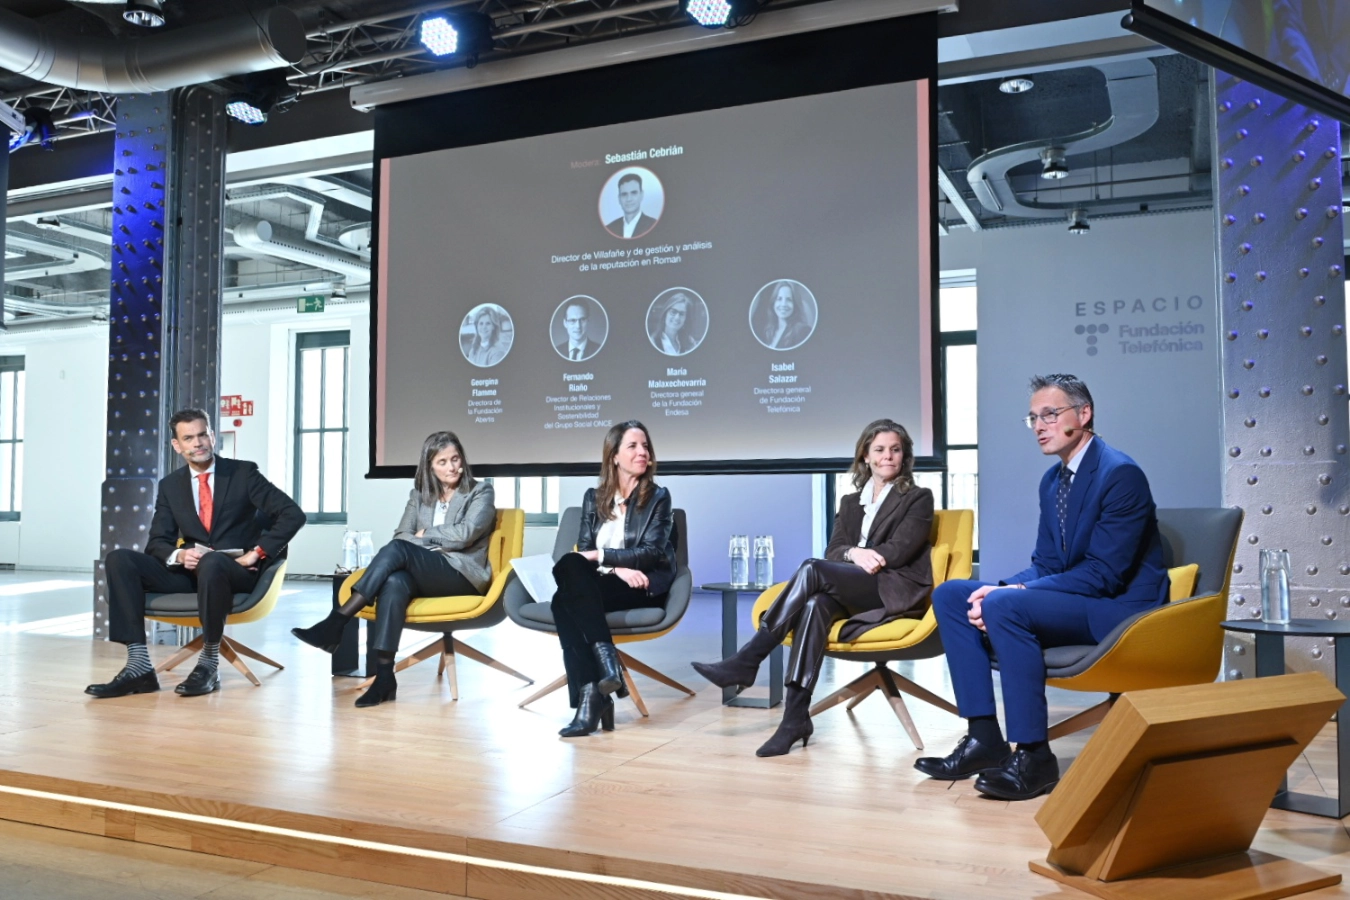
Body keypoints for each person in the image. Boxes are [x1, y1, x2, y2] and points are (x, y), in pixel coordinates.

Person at [915, 374, 1169, 801]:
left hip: (1122, 608)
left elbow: (1104, 575)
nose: (1039, 425)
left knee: (1006, 608)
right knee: (952, 595)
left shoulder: (1121, 474)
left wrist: (1008, 598)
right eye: (1033, 417)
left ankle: (1034, 755)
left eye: (1050, 414)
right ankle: (983, 739)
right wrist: (1000, 588)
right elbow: (1047, 564)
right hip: (1081, 599)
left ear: (1083, 414)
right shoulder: (1053, 482)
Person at [692, 419, 933, 756]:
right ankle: (794, 718)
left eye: (895, 450)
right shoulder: (851, 502)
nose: (888, 457)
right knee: (814, 604)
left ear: (904, 455)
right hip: (853, 585)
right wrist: (854, 552)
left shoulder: (918, 497)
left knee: (811, 568)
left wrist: (864, 556)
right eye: (879, 450)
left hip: (890, 587)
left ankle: (749, 658)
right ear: (866, 455)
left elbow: (899, 551)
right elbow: (834, 550)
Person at [87, 408, 306, 699]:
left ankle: (208, 662)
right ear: (177, 445)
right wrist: (179, 556)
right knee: (119, 559)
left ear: (212, 437)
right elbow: (157, 542)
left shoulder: (243, 473)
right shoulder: (170, 486)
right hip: (191, 572)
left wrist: (256, 553)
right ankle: (139, 665)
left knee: (214, 561)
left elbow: (292, 514)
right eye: (188, 438)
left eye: (202, 434)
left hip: (234, 571)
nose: (197, 442)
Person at [292, 431, 495, 707]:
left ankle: (336, 622)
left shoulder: (480, 491)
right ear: (430, 466)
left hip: (461, 574)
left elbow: (465, 535)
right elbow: (401, 534)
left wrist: (425, 534)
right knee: (395, 582)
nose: (452, 467)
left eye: (456, 459)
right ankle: (385, 678)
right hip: (425, 572)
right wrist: (427, 538)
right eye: (443, 462)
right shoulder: (419, 495)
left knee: (398, 552)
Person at [550, 420, 676, 737]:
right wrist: (615, 566)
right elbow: (587, 550)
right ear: (614, 456)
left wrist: (602, 558)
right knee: (570, 567)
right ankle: (604, 673)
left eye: (645, 445)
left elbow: (650, 552)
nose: (642, 452)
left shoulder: (659, 498)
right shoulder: (594, 497)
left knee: (561, 600)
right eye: (633, 446)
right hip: (611, 578)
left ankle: (593, 696)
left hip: (642, 583)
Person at [756, 281, 813, 351]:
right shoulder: (769, 331)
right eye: (779, 299)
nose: (783, 304)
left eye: (789, 300)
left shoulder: (803, 331)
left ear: (795, 304)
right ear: (773, 303)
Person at [604, 172, 658, 240]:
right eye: (624, 194)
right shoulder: (609, 228)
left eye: (634, 193)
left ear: (641, 195)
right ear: (619, 199)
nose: (629, 199)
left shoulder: (654, 225)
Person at [650, 291, 699, 356]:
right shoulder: (653, 342)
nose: (677, 318)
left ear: (685, 319)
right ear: (665, 314)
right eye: (673, 312)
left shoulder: (690, 343)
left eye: (681, 314)